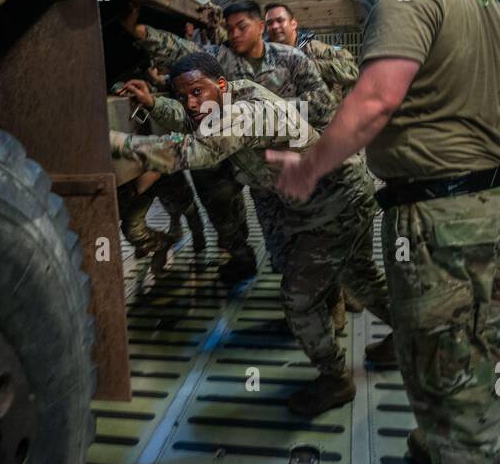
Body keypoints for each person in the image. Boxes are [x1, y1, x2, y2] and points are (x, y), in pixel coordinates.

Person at [266, 0, 500, 464]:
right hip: (498, 204)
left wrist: (309, 167)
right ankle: (451, 447)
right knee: (478, 340)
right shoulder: (487, 0)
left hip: (442, 214)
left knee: (447, 355)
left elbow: (377, 98)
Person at [111, 53, 391, 416]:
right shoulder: (228, 98)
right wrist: (154, 103)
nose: (191, 103)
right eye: (184, 96)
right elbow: (195, 118)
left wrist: (114, 141)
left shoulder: (244, 113)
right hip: (338, 194)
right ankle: (406, 339)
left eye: (197, 92)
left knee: (299, 298)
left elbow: (193, 149)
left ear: (221, 86)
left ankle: (336, 379)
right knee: (360, 276)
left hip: (335, 201)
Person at [120, 0, 334, 286]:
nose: (233, 34)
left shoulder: (291, 59)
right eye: (228, 28)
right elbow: (181, 52)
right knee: (228, 212)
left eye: (241, 27)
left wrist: (270, 111)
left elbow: (323, 106)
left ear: (260, 28)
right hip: (241, 165)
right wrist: (142, 33)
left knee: (315, 242)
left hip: (288, 167)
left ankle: (336, 291)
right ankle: (245, 259)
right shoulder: (218, 59)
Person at [264, 1, 365, 316]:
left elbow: (352, 71)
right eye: (269, 23)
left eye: (280, 21)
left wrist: (305, 64)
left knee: (348, 225)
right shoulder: (265, 63)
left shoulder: (317, 49)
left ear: (294, 24)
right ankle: (331, 301)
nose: (275, 27)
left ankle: (349, 288)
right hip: (296, 156)